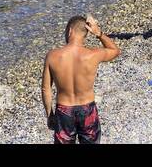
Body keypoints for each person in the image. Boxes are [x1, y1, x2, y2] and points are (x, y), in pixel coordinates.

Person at [42, 15, 120, 145]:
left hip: (64, 110)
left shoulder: (52, 56)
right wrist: (99, 33)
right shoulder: (93, 55)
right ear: (86, 34)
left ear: (70, 31)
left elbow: (46, 89)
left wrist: (50, 114)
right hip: (87, 109)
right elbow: (115, 51)